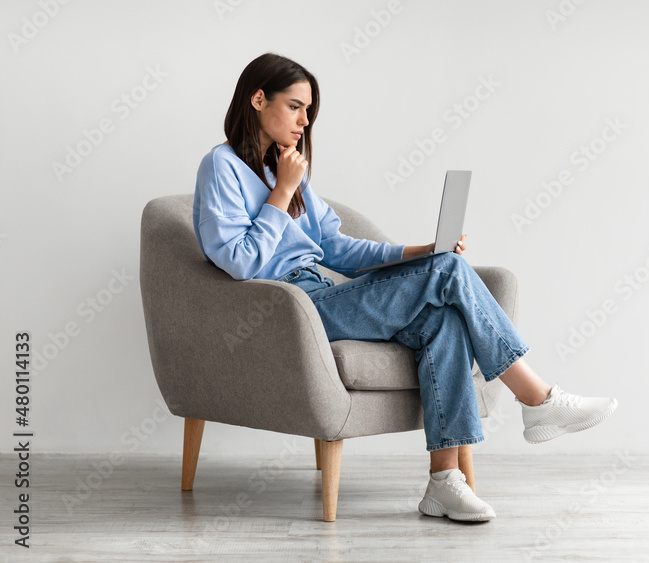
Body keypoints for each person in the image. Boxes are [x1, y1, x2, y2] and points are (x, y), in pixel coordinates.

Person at [193, 53, 617, 522]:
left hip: (323, 293)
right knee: (451, 275)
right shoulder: (222, 167)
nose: (304, 120)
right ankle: (537, 399)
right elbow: (237, 262)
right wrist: (282, 193)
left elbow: (338, 250)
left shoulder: (286, 167)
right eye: (295, 106)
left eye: (309, 110)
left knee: (443, 318)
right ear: (258, 98)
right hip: (288, 309)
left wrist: (423, 250)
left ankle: (444, 482)